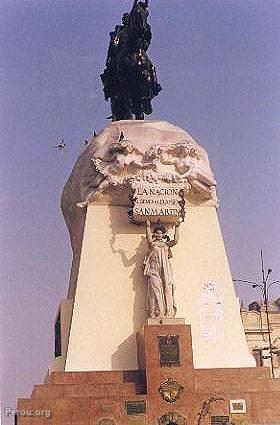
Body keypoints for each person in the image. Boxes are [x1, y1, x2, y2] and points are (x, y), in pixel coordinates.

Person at [143, 220, 179, 318]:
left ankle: (165, 312)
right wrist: (148, 227)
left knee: (166, 289)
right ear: (155, 234)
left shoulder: (166, 245)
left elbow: (175, 241)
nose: (159, 235)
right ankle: (154, 312)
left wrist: (177, 227)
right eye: (157, 233)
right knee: (156, 290)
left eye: (161, 233)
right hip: (154, 271)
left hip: (165, 271)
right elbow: (149, 239)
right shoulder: (153, 245)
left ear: (163, 235)